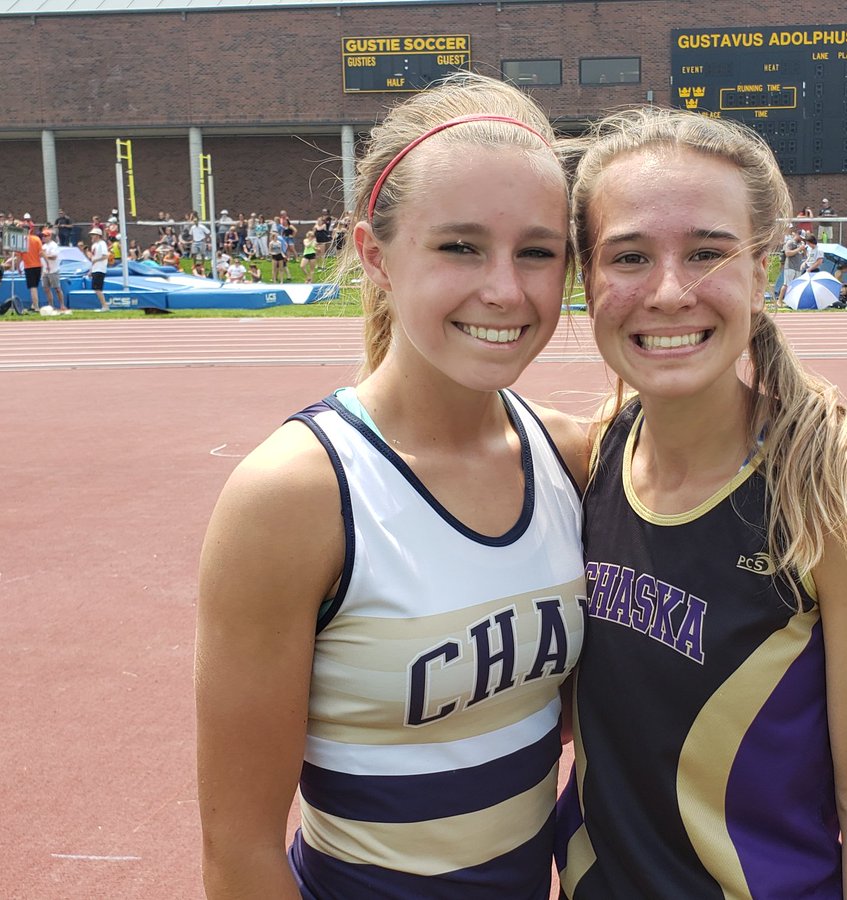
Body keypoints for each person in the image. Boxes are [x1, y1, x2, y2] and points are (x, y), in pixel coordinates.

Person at [196, 72, 588, 900]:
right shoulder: (298, 496)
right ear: (374, 254)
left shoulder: (570, 458)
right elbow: (239, 852)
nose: (506, 290)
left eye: (538, 252)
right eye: (459, 246)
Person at [556, 106, 847, 899]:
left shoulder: (839, 497)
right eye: (628, 256)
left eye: (706, 253)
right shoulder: (588, 463)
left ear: (763, 272)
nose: (668, 291)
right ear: (587, 280)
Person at [40, 227, 69, 313]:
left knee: (57, 288)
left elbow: (54, 257)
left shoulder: (53, 245)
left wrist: (44, 256)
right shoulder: (43, 246)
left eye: (45, 236)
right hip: (45, 270)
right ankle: (51, 305)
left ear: (50, 236)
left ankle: (62, 305)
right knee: (46, 289)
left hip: (53, 270)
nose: (43, 237)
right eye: (43, 236)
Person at [19, 226, 45, 312]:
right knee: (35, 286)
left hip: (29, 266)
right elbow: (41, 253)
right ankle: (33, 305)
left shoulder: (21, 241)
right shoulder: (36, 239)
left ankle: (36, 307)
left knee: (33, 287)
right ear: (30, 230)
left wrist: (18, 266)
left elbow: (19, 257)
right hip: (38, 266)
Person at [86, 227, 110, 310]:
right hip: (96, 269)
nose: (92, 237)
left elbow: (105, 255)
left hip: (100, 268)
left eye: (93, 235)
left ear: (98, 236)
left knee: (98, 289)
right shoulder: (94, 245)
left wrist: (96, 260)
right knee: (96, 289)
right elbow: (93, 259)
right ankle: (104, 305)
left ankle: (105, 306)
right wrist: (91, 270)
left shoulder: (102, 244)